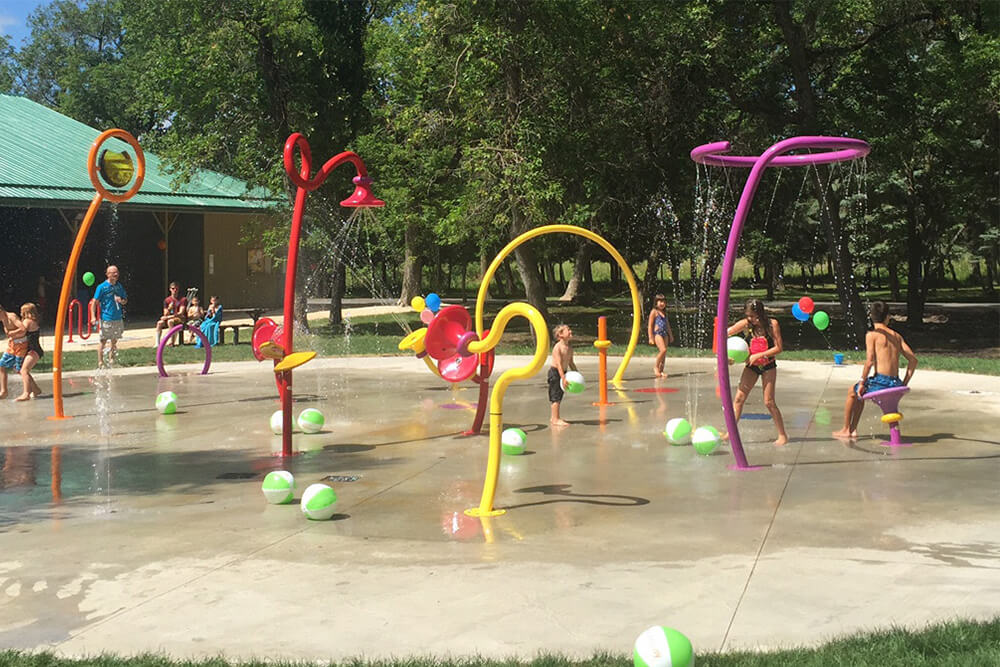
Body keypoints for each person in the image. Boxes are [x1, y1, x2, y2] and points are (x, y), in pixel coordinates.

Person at [833, 301, 918, 439]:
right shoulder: (897, 336)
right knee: (859, 393)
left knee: (852, 392)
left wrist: (862, 381)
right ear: (888, 317)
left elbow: (869, 361)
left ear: (870, 316)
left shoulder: (872, 335)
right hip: (896, 383)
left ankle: (847, 429)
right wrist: (904, 382)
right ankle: (853, 429)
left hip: (881, 382)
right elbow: (913, 360)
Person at [725, 298, 789, 446]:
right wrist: (728, 355)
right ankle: (730, 433)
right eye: (748, 315)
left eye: (752, 316)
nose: (750, 319)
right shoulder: (746, 324)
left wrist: (759, 355)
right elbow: (724, 333)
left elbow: (779, 348)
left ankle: (782, 435)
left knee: (769, 402)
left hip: (768, 366)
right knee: (739, 399)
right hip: (751, 367)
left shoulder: (772, 325)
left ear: (760, 313)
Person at [92, 265, 128, 369]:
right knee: (103, 341)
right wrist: (93, 317)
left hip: (117, 318)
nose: (116, 274)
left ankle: (111, 359)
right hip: (106, 319)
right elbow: (95, 302)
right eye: (113, 273)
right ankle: (100, 362)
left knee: (114, 340)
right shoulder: (101, 287)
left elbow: (125, 300)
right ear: (108, 274)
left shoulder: (119, 286)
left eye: (117, 272)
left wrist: (121, 300)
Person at [548, 324, 578, 428]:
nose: (570, 331)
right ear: (560, 335)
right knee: (555, 396)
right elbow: (559, 365)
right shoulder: (558, 348)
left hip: (563, 373)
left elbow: (571, 363)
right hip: (555, 373)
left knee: (559, 395)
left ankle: (554, 417)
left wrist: (576, 373)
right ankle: (555, 419)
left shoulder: (569, 348)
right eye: (567, 330)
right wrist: (563, 378)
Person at [15, 303, 43, 400]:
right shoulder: (34, 321)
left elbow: (21, 331)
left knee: (24, 370)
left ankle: (26, 393)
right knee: (21, 369)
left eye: (22, 312)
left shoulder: (27, 321)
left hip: (33, 350)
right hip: (33, 349)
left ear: (25, 312)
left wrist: (11, 333)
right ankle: (35, 389)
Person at [0, 304, 28, 399]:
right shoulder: (3, 319)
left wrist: (13, 333)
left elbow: (23, 329)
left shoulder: (11, 316)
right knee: (1, 365)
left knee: (20, 369)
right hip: (12, 345)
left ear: (1, 311)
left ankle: (33, 390)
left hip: (21, 345)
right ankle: (4, 391)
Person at [647, 293, 675, 378]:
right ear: (656, 302)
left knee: (664, 353)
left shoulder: (664, 313)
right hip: (657, 333)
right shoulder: (654, 312)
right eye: (660, 301)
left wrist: (670, 335)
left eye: (663, 302)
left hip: (665, 334)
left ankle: (661, 370)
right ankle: (656, 367)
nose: (662, 303)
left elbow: (667, 325)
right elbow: (650, 325)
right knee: (663, 350)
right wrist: (650, 337)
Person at [155, 282, 187, 346]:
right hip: (170, 317)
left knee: (170, 321)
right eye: (173, 288)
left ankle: (171, 342)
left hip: (180, 319)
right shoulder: (167, 300)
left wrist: (168, 317)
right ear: (170, 289)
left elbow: (181, 313)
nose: (174, 290)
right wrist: (169, 308)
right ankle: (157, 343)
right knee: (159, 323)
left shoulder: (183, 299)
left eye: (176, 289)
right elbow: (165, 313)